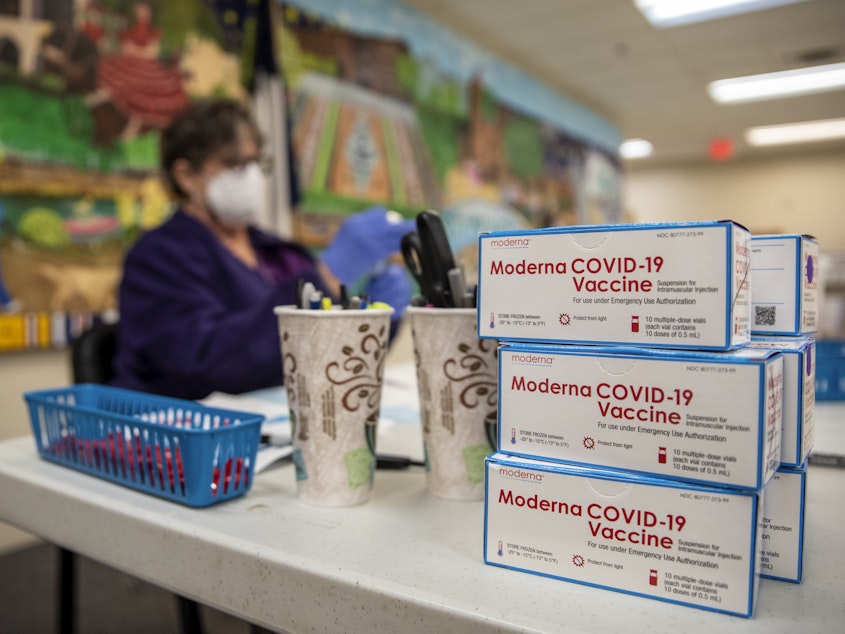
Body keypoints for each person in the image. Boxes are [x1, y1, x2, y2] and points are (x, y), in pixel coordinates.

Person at [112, 98, 413, 399]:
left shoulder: (278, 253)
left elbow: (333, 355)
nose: (251, 176)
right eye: (233, 164)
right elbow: (207, 363)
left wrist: (375, 317)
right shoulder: (158, 258)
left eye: (256, 162)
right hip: (189, 434)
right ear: (186, 176)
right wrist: (324, 279)